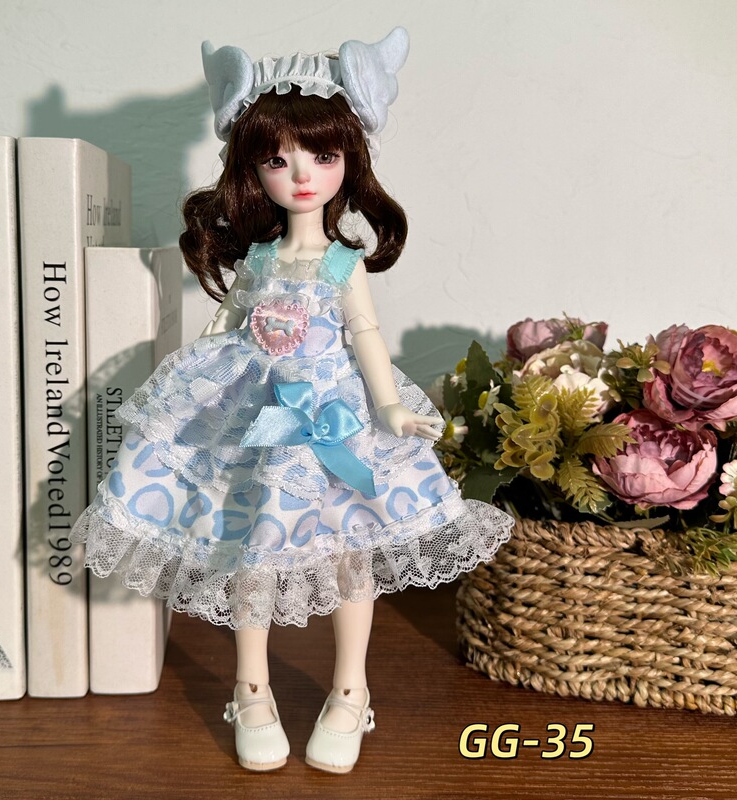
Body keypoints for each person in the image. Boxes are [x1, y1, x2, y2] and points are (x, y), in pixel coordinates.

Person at [71, 27, 513, 774]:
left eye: (322, 155)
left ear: (350, 160)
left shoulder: (344, 262)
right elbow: (227, 326)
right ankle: (251, 690)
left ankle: (350, 691)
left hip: (335, 416)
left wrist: (390, 408)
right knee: (252, 549)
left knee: (350, 554)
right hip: (256, 416)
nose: (302, 174)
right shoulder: (259, 257)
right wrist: (188, 388)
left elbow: (366, 335)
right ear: (252, 171)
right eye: (277, 160)